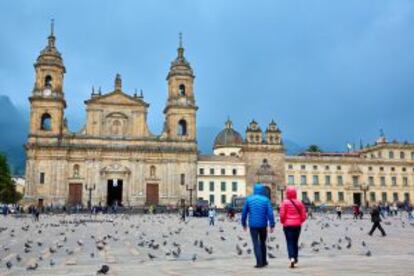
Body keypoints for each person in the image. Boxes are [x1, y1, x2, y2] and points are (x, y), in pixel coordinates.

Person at [241, 183, 275, 268]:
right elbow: (270, 213)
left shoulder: (249, 200)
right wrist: (272, 224)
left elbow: (244, 213)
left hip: (253, 225)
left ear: (254, 190)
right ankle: (264, 261)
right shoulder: (266, 200)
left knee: (256, 243)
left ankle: (259, 263)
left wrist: (244, 224)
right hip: (263, 224)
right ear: (262, 190)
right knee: (263, 242)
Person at [280, 186, 307, 268]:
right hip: (297, 225)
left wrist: (283, 221)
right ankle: (295, 258)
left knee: (289, 242)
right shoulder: (299, 202)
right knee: (295, 242)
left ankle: (291, 257)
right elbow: (304, 215)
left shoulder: (284, 202)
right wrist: (300, 221)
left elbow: (282, 214)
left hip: (287, 225)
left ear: (287, 193)